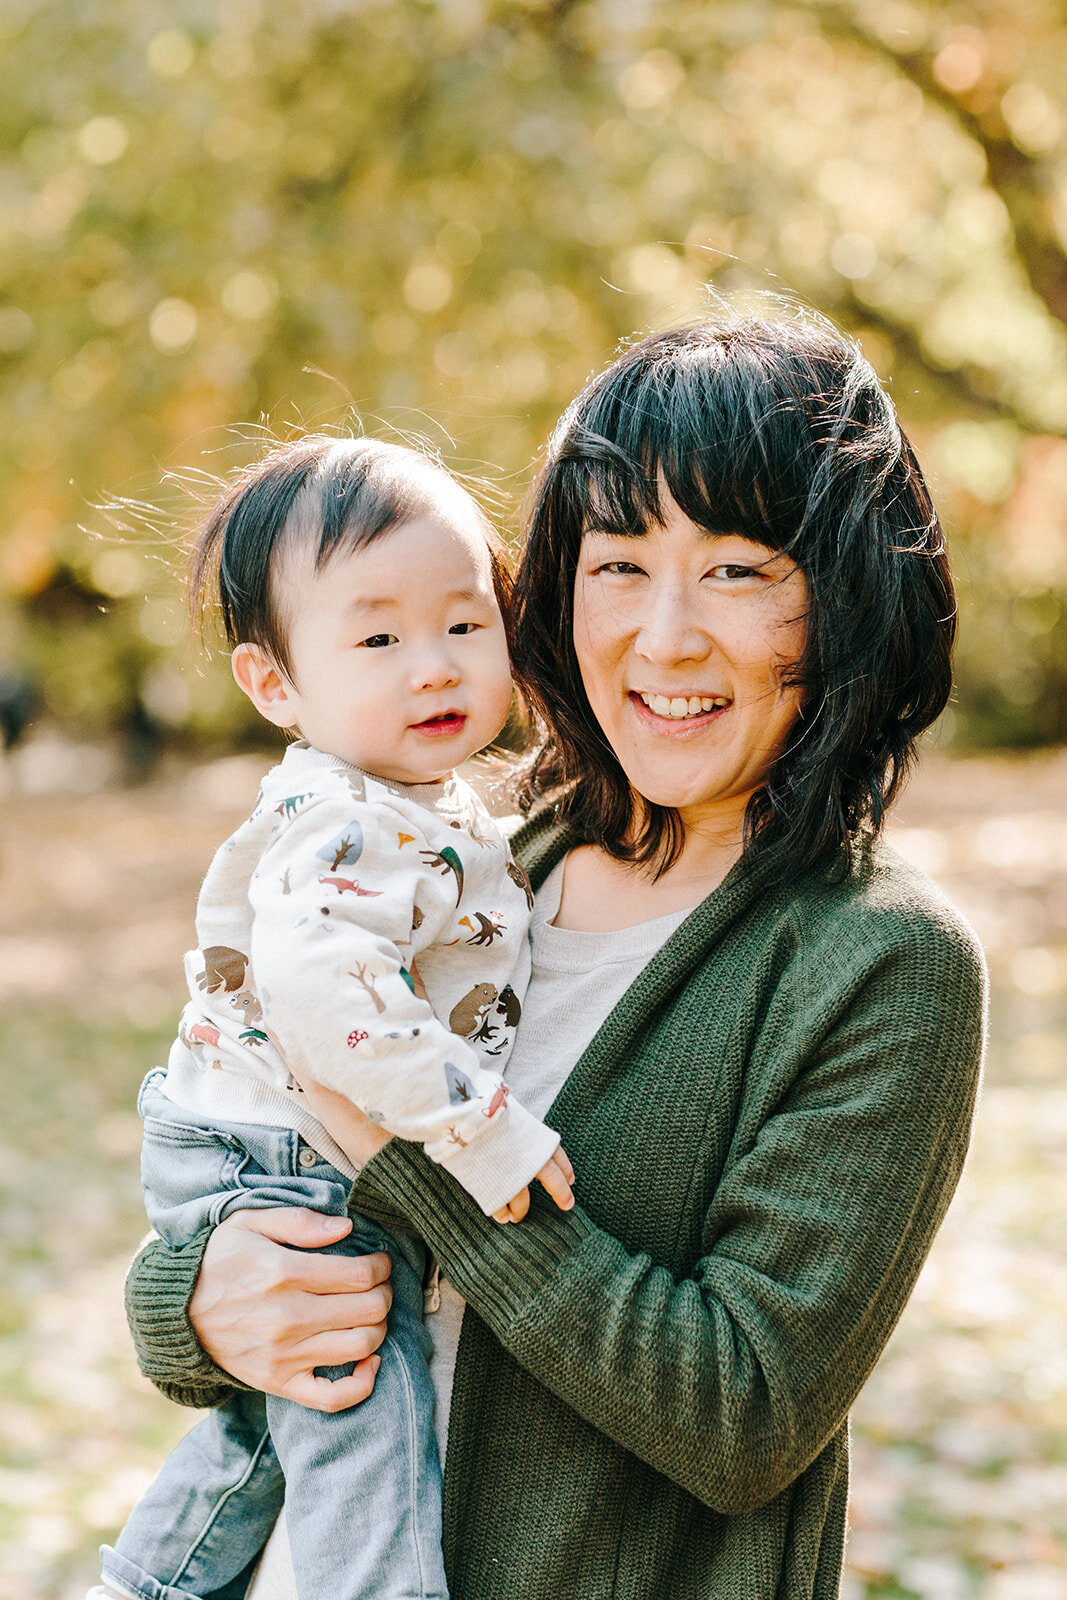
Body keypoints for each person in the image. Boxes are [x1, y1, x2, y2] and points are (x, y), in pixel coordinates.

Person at [118, 313, 986, 1600]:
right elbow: (260, 1168)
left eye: (740, 569)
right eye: (617, 564)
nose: (666, 636)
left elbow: (741, 1414)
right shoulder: (468, 853)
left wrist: (416, 1163)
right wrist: (191, 1302)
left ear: (842, 598)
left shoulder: (877, 963)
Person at [94, 436, 575, 1600]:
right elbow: (327, 1000)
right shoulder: (344, 822)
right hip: (282, 1154)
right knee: (360, 1397)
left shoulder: (415, 801)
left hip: (240, 1136)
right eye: (376, 638)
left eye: (464, 624)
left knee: (277, 1411)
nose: (433, 667)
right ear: (274, 684)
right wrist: (480, 1126)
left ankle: (151, 1579)